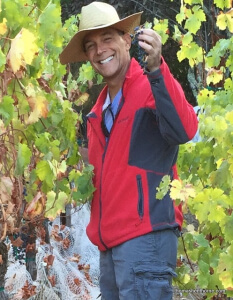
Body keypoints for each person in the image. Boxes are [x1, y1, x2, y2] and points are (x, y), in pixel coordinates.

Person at [60, 2, 198, 299]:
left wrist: (157, 69)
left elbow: (185, 130)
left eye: (108, 38)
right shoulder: (97, 115)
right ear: (87, 56)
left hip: (145, 241)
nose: (100, 50)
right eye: (91, 45)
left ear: (126, 39)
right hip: (111, 248)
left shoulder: (152, 88)